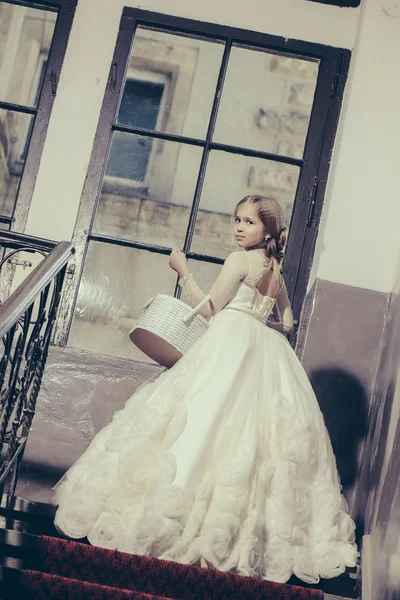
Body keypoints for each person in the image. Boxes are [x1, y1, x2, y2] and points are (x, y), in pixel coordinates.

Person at [54, 195, 358, 585]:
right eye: (237, 220)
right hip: (266, 351)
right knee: (247, 438)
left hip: (227, 343)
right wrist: (258, 323)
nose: (238, 228)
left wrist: (183, 272)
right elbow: (289, 323)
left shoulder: (238, 261)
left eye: (248, 222)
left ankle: (175, 523)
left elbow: (209, 309)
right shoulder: (275, 272)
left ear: (267, 229)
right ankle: (228, 535)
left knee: (199, 422)